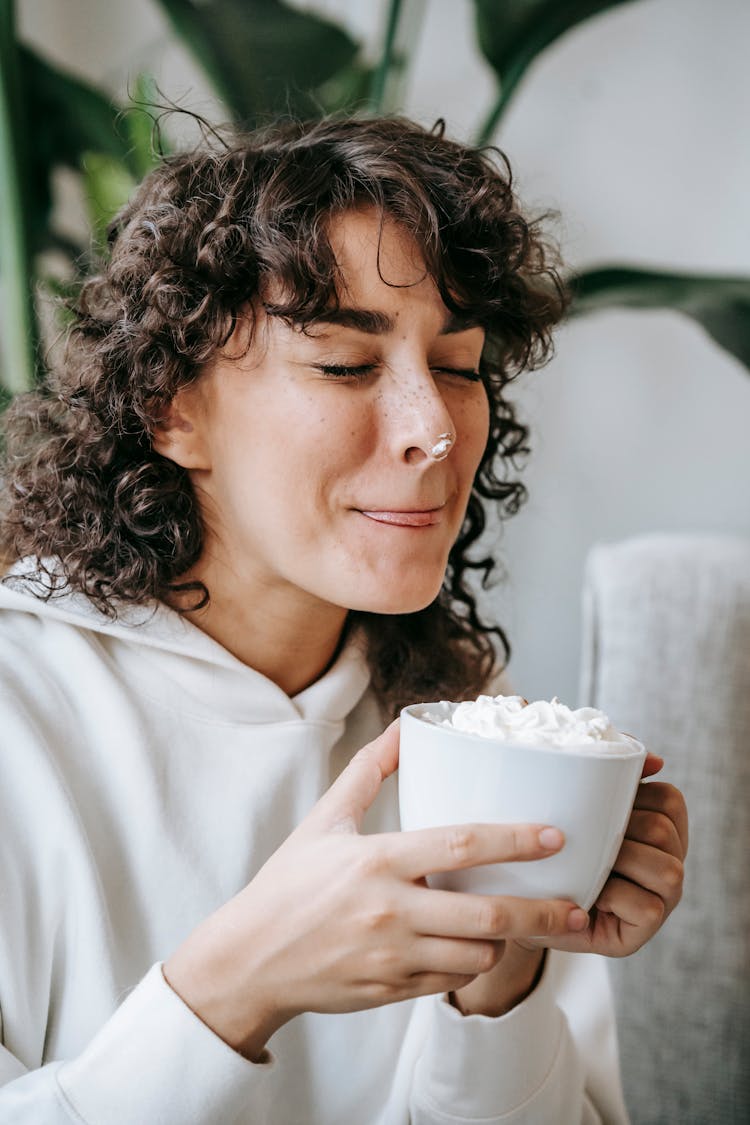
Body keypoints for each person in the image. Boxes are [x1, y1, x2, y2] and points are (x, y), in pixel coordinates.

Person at [0, 115, 687, 1124]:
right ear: (171, 408)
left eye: (458, 367)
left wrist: (501, 980)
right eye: (344, 366)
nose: (434, 431)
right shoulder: (23, 713)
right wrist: (234, 988)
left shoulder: (468, 725)